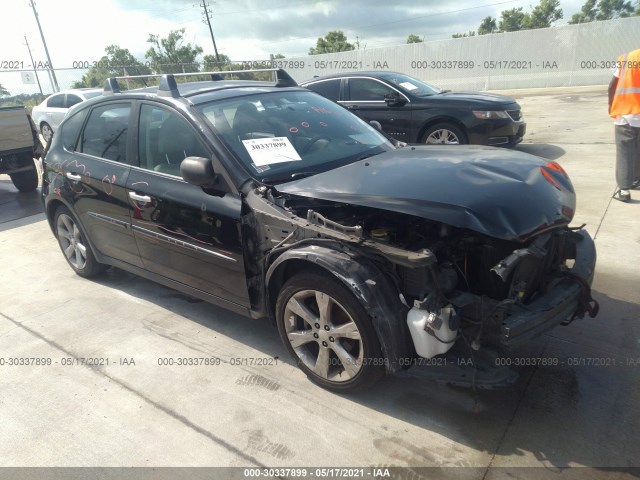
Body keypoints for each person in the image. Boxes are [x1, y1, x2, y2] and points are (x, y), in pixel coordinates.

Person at [609, 48, 640, 202]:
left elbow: (612, 86)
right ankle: (637, 180)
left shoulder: (626, 58)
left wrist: (611, 108)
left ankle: (624, 191)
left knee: (625, 153)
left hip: (626, 114)